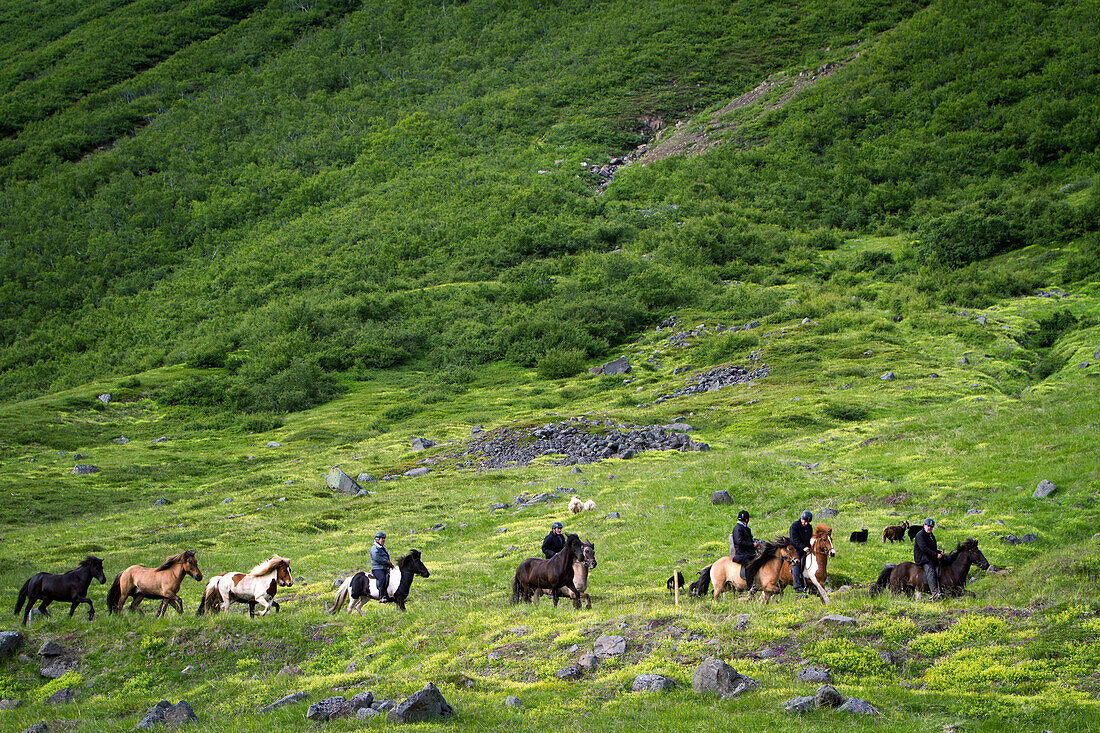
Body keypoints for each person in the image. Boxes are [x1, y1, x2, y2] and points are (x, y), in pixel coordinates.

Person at [730, 510, 762, 591]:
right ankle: (750, 586)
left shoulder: (745, 528)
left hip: (749, 553)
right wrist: (752, 545)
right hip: (742, 554)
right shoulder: (738, 529)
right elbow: (739, 542)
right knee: (749, 565)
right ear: (747, 520)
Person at [914, 518, 945, 600]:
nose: (929, 528)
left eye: (931, 527)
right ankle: (934, 593)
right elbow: (924, 548)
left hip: (930, 556)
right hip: (922, 558)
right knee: (930, 570)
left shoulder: (931, 536)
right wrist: (936, 555)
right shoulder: (920, 535)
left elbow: (933, 548)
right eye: (928, 526)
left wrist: (939, 552)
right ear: (924, 525)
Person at [789, 510, 814, 594]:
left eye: (808, 522)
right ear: (801, 518)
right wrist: (803, 547)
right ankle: (797, 586)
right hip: (796, 549)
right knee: (796, 564)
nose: (806, 523)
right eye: (805, 521)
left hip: (806, 548)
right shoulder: (794, 526)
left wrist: (810, 547)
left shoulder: (809, 528)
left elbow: (809, 539)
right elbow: (794, 540)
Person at [370, 531, 395, 603]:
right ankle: (381, 596)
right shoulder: (374, 548)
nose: (383, 540)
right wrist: (386, 562)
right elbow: (376, 557)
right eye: (382, 539)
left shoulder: (382, 548)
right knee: (382, 578)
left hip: (384, 568)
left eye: (384, 539)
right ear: (377, 539)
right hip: (377, 568)